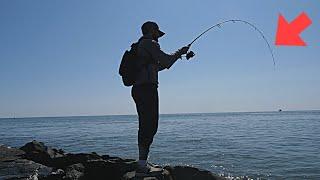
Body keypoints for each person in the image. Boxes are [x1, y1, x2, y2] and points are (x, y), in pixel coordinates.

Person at [131, 21, 190, 175]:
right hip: (146, 89)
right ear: (152, 30)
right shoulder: (150, 43)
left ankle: (142, 162)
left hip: (140, 89)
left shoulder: (140, 46)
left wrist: (178, 56)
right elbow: (166, 61)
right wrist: (180, 51)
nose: (159, 37)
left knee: (146, 125)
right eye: (158, 33)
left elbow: (159, 66)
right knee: (149, 126)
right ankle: (142, 167)